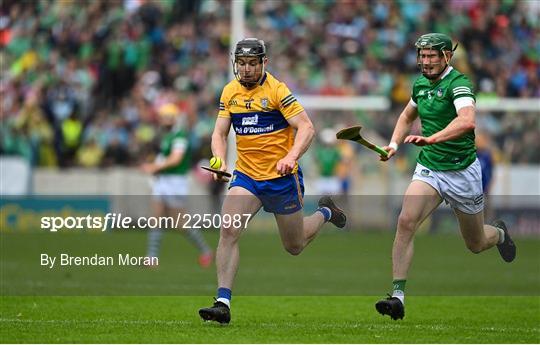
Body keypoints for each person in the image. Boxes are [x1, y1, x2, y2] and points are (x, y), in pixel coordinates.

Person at [198, 38, 347, 324]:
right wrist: (219, 159)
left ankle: (326, 212)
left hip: (281, 178)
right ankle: (222, 302)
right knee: (228, 230)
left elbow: (307, 127)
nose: (247, 69)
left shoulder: (278, 91)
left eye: (252, 63)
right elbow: (219, 133)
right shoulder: (230, 92)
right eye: (242, 63)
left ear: (264, 63)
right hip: (247, 177)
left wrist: (291, 156)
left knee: (294, 245)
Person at [375, 33, 516, 321]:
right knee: (405, 221)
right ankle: (398, 297)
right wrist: (393, 144)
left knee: (475, 243)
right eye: (422, 56)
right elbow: (405, 117)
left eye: (431, 56)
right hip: (430, 169)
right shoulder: (420, 85)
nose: (425, 62)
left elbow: (467, 121)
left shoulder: (459, 84)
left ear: (446, 57)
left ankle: (499, 233)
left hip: (462, 172)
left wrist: (433, 138)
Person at [140, 103, 213, 268]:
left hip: (175, 183)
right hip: (163, 181)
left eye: (166, 117)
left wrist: (154, 167)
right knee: (156, 218)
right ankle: (151, 258)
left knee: (180, 224)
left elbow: (176, 159)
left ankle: (206, 250)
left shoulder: (180, 136)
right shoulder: (167, 136)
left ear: (173, 118)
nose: (163, 120)